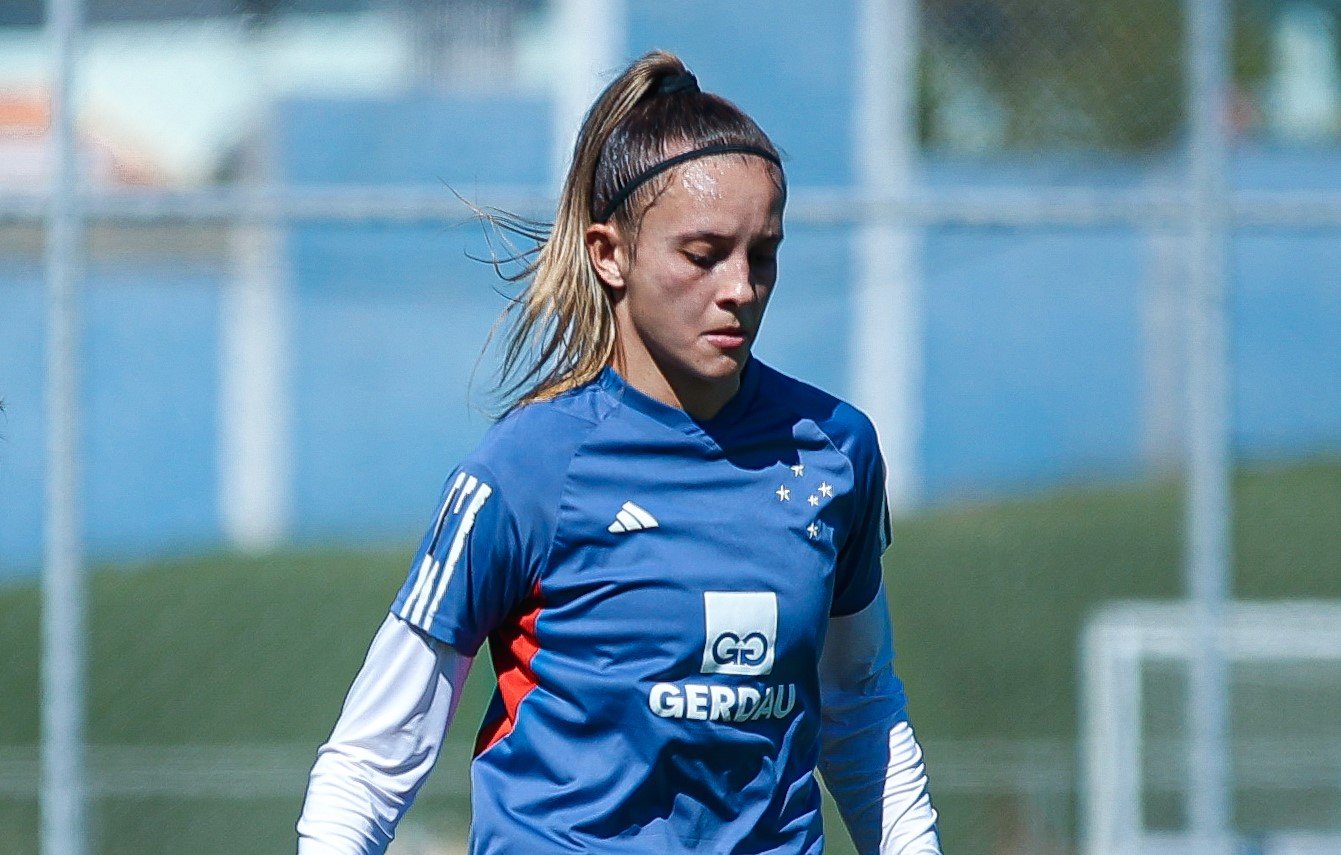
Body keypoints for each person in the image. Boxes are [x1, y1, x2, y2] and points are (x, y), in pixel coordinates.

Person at [296, 50, 939, 854]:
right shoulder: (525, 469)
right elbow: (372, 757)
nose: (738, 286)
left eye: (762, 253)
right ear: (609, 253)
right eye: (703, 255)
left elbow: (861, 707)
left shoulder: (835, 449)